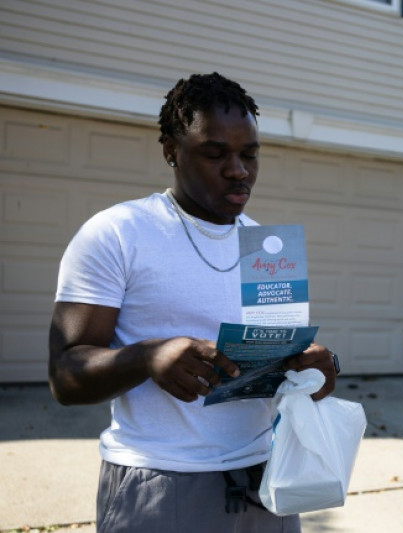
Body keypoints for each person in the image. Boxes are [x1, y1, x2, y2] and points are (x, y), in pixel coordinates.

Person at [48, 72, 337, 533]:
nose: (238, 170)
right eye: (215, 153)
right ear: (170, 150)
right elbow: (65, 376)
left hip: (267, 481)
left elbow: (274, 366)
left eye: (249, 154)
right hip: (162, 483)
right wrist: (147, 357)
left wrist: (312, 370)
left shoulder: (269, 249)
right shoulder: (118, 233)